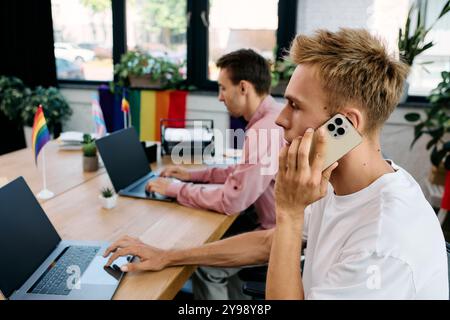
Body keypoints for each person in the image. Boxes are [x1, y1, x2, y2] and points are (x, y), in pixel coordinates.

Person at [105, 29, 449, 299]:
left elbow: (277, 228)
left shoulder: (383, 245)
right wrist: (168, 255)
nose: (281, 120)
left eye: (295, 106)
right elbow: (270, 242)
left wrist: (287, 210)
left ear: (344, 124)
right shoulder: (336, 183)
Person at [147, 49, 284, 299]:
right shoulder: (272, 118)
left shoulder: (265, 130)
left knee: (206, 265)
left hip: (277, 235)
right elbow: (242, 173)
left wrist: (174, 189)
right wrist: (194, 176)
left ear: (243, 87)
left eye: (222, 88)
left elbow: (231, 201)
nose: (220, 97)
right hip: (273, 225)